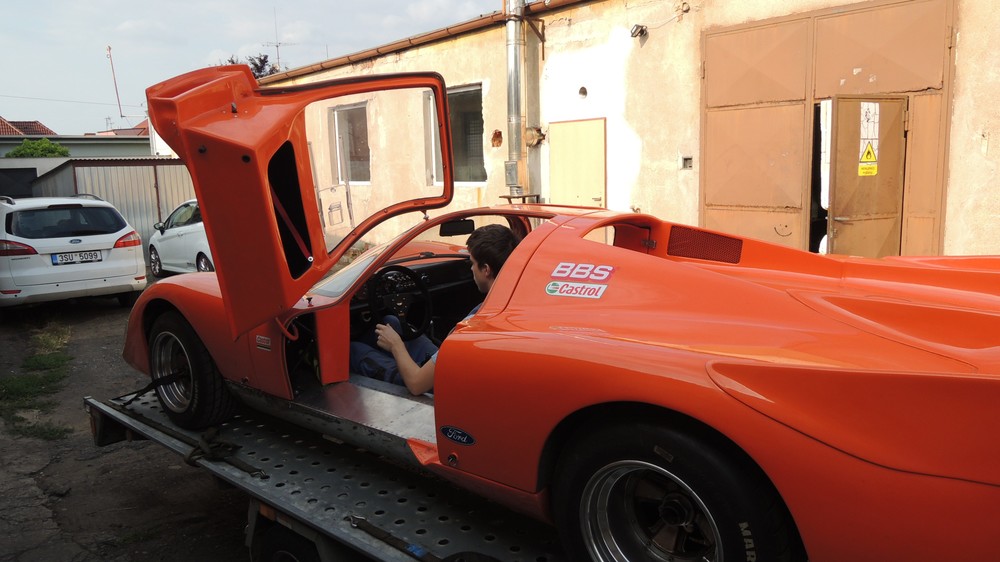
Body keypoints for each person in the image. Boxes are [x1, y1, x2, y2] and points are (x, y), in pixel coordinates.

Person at [349, 224, 519, 395]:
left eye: (472, 263)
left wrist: (395, 346)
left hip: (440, 382)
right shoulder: (514, 302)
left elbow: (416, 384)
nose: (470, 268)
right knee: (391, 322)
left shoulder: (474, 325)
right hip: (453, 363)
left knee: (354, 350)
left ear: (486, 270)